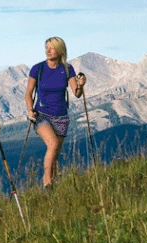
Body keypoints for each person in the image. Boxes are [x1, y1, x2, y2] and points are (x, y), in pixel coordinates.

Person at [26, 36, 87, 187]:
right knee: (52, 144)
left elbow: (77, 93)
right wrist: (30, 110)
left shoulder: (67, 69)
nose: (48, 50)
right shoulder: (38, 68)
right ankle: (47, 183)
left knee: (54, 154)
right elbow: (28, 94)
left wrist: (80, 85)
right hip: (41, 114)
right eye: (46, 47)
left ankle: (51, 187)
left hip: (61, 116)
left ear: (60, 50)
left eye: (51, 47)